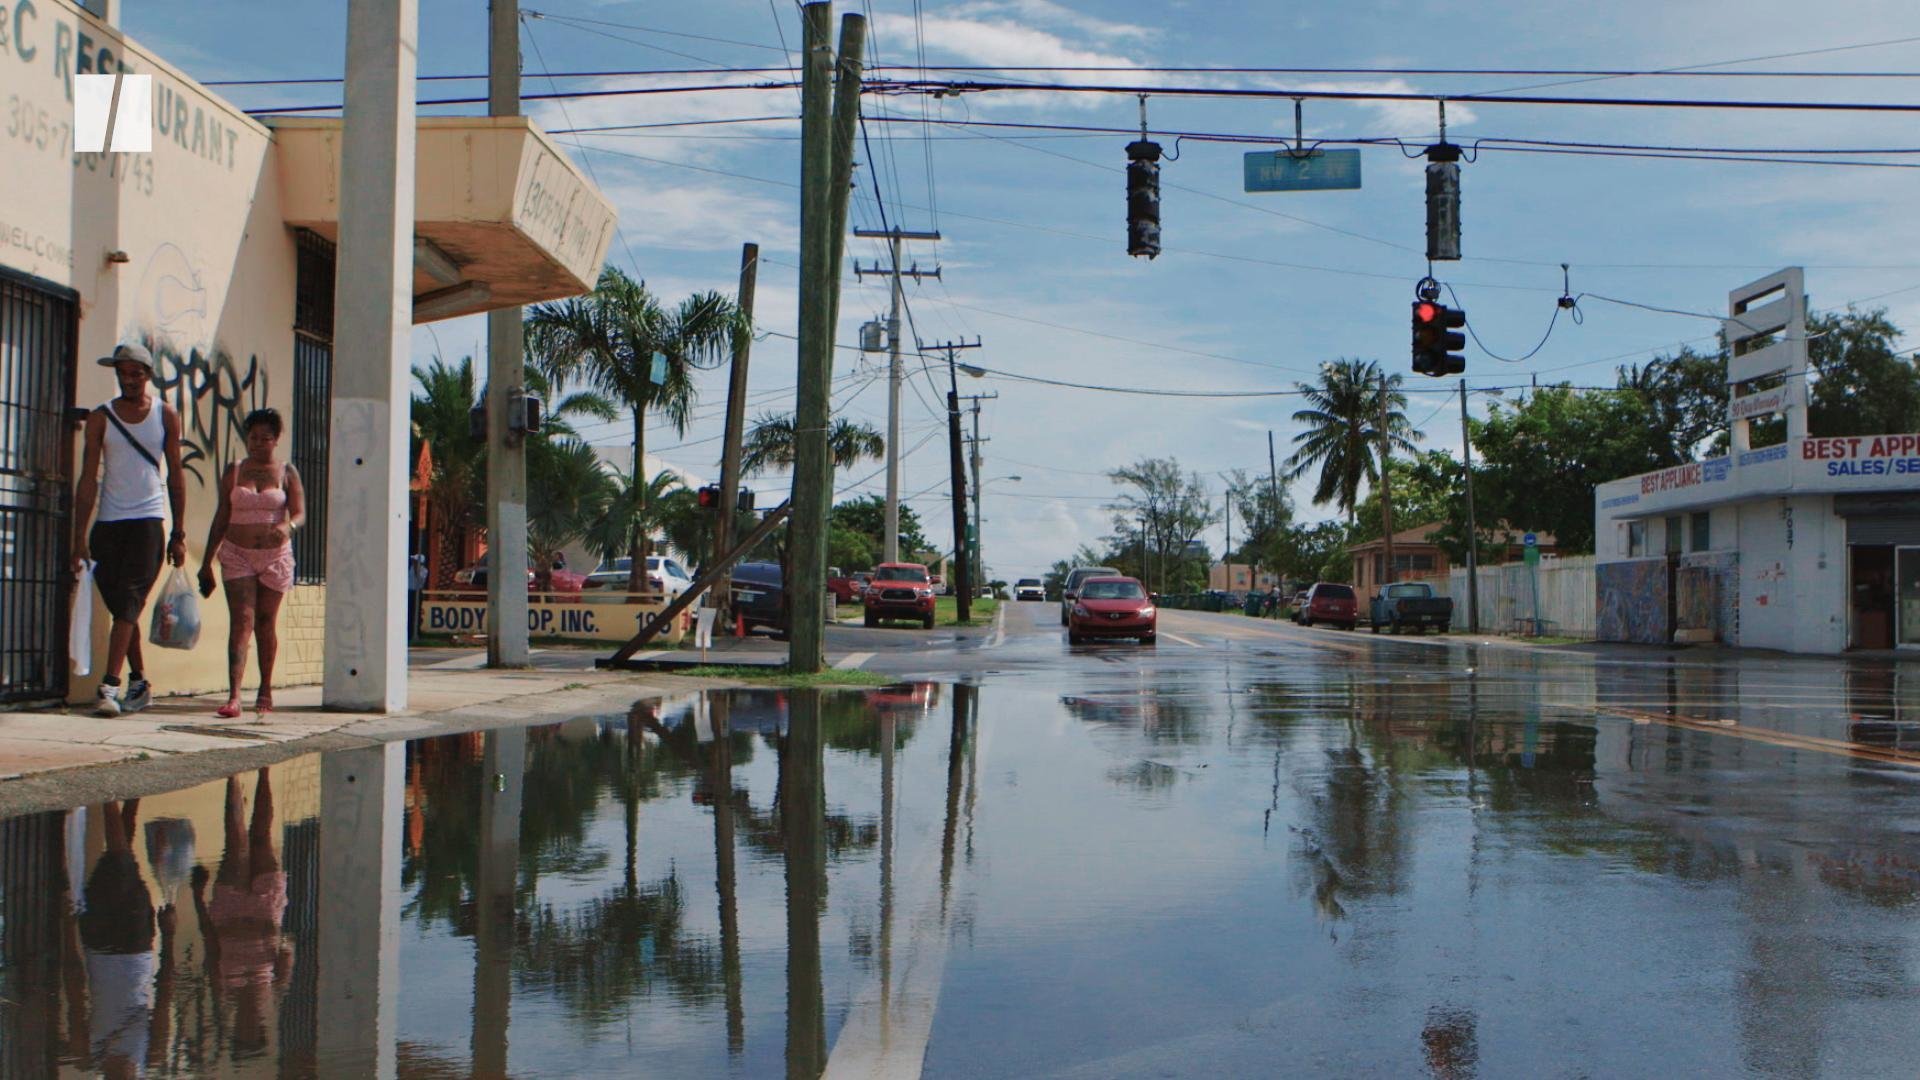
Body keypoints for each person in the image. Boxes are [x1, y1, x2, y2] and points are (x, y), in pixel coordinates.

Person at [71, 343, 188, 717]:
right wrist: (79, 535)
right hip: (107, 524)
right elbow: (88, 478)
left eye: (137, 372)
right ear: (117, 374)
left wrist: (179, 533)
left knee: (129, 604)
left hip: (148, 522)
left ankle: (109, 687)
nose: (130, 379)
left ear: (148, 375)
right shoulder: (100, 417)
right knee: (124, 607)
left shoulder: (165, 415)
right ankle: (140, 682)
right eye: (124, 372)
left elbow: (176, 474)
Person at [198, 409, 305, 719]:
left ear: (276, 440)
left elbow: (299, 513)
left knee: (264, 622)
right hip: (237, 553)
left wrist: (288, 527)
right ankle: (234, 695)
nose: (258, 444)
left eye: (265, 439)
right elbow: (221, 516)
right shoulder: (234, 471)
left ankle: (265, 687)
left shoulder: (287, 472)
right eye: (253, 438)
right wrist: (207, 561)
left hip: (275, 556)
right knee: (241, 621)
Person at [407, 552, 429, 642]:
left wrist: (416, 567)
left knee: (416, 614)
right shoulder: (409, 568)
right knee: (408, 613)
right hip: (409, 592)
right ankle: (409, 633)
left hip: (416, 592)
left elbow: (419, 579)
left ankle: (416, 633)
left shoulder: (424, 571)